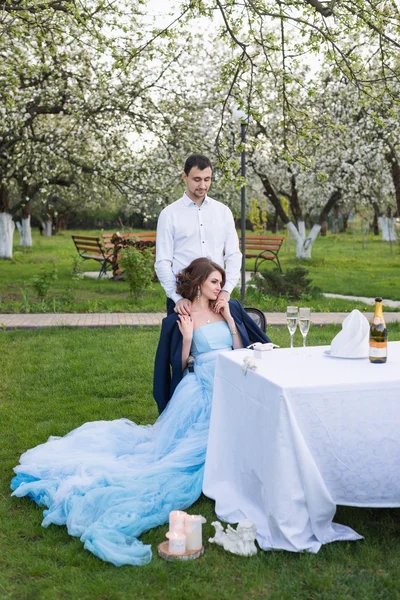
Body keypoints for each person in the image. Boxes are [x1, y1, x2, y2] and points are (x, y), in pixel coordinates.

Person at [11, 258, 271, 567]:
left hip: (231, 378)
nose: (220, 288)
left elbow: (240, 348)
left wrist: (229, 318)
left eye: (221, 282)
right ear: (200, 283)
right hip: (202, 384)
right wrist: (187, 336)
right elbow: (179, 362)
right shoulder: (182, 315)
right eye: (215, 282)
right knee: (192, 453)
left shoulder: (227, 308)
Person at [155, 154, 242, 316]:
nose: (203, 185)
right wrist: (177, 298)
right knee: (182, 342)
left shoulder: (223, 212)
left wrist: (226, 291)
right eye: (197, 179)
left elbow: (234, 255)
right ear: (184, 177)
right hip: (183, 298)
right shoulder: (169, 214)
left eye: (207, 179)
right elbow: (162, 262)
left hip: (216, 297)